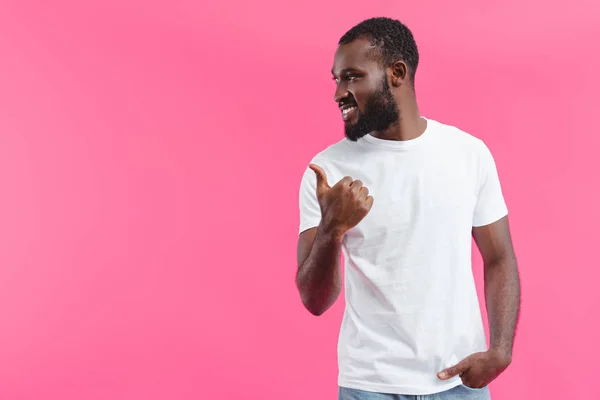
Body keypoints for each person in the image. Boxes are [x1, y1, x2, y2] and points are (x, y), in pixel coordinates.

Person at [295, 17, 520, 400]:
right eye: (335, 79)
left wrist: (500, 351)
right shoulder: (327, 172)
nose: (338, 93)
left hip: (458, 384)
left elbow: (499, 257)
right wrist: (332, 229)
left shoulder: (468, 154)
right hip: (369, 385)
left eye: (351, 76)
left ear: (396, 73)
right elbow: (315, 302)